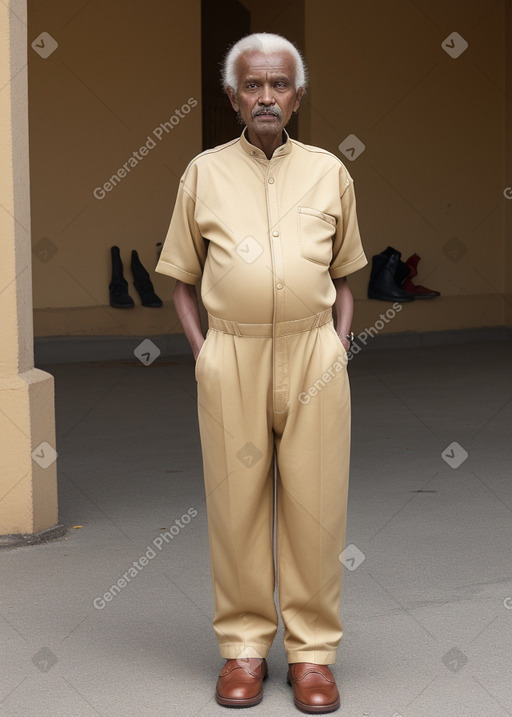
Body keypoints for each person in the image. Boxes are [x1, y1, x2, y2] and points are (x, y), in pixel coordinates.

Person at [156, 32, 367, 714]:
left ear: (298, 95)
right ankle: (244, 647)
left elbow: (344, 277)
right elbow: (181, 281)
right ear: (232, 96)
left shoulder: (331, 173)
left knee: (315, 506)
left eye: (279, 85)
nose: (267, 96)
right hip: (233, 357)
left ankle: (312, 657)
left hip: (313, 355)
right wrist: (205, 353)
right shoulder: (203, 174)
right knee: (236, 507)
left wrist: (336, 347)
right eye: (253, 85)